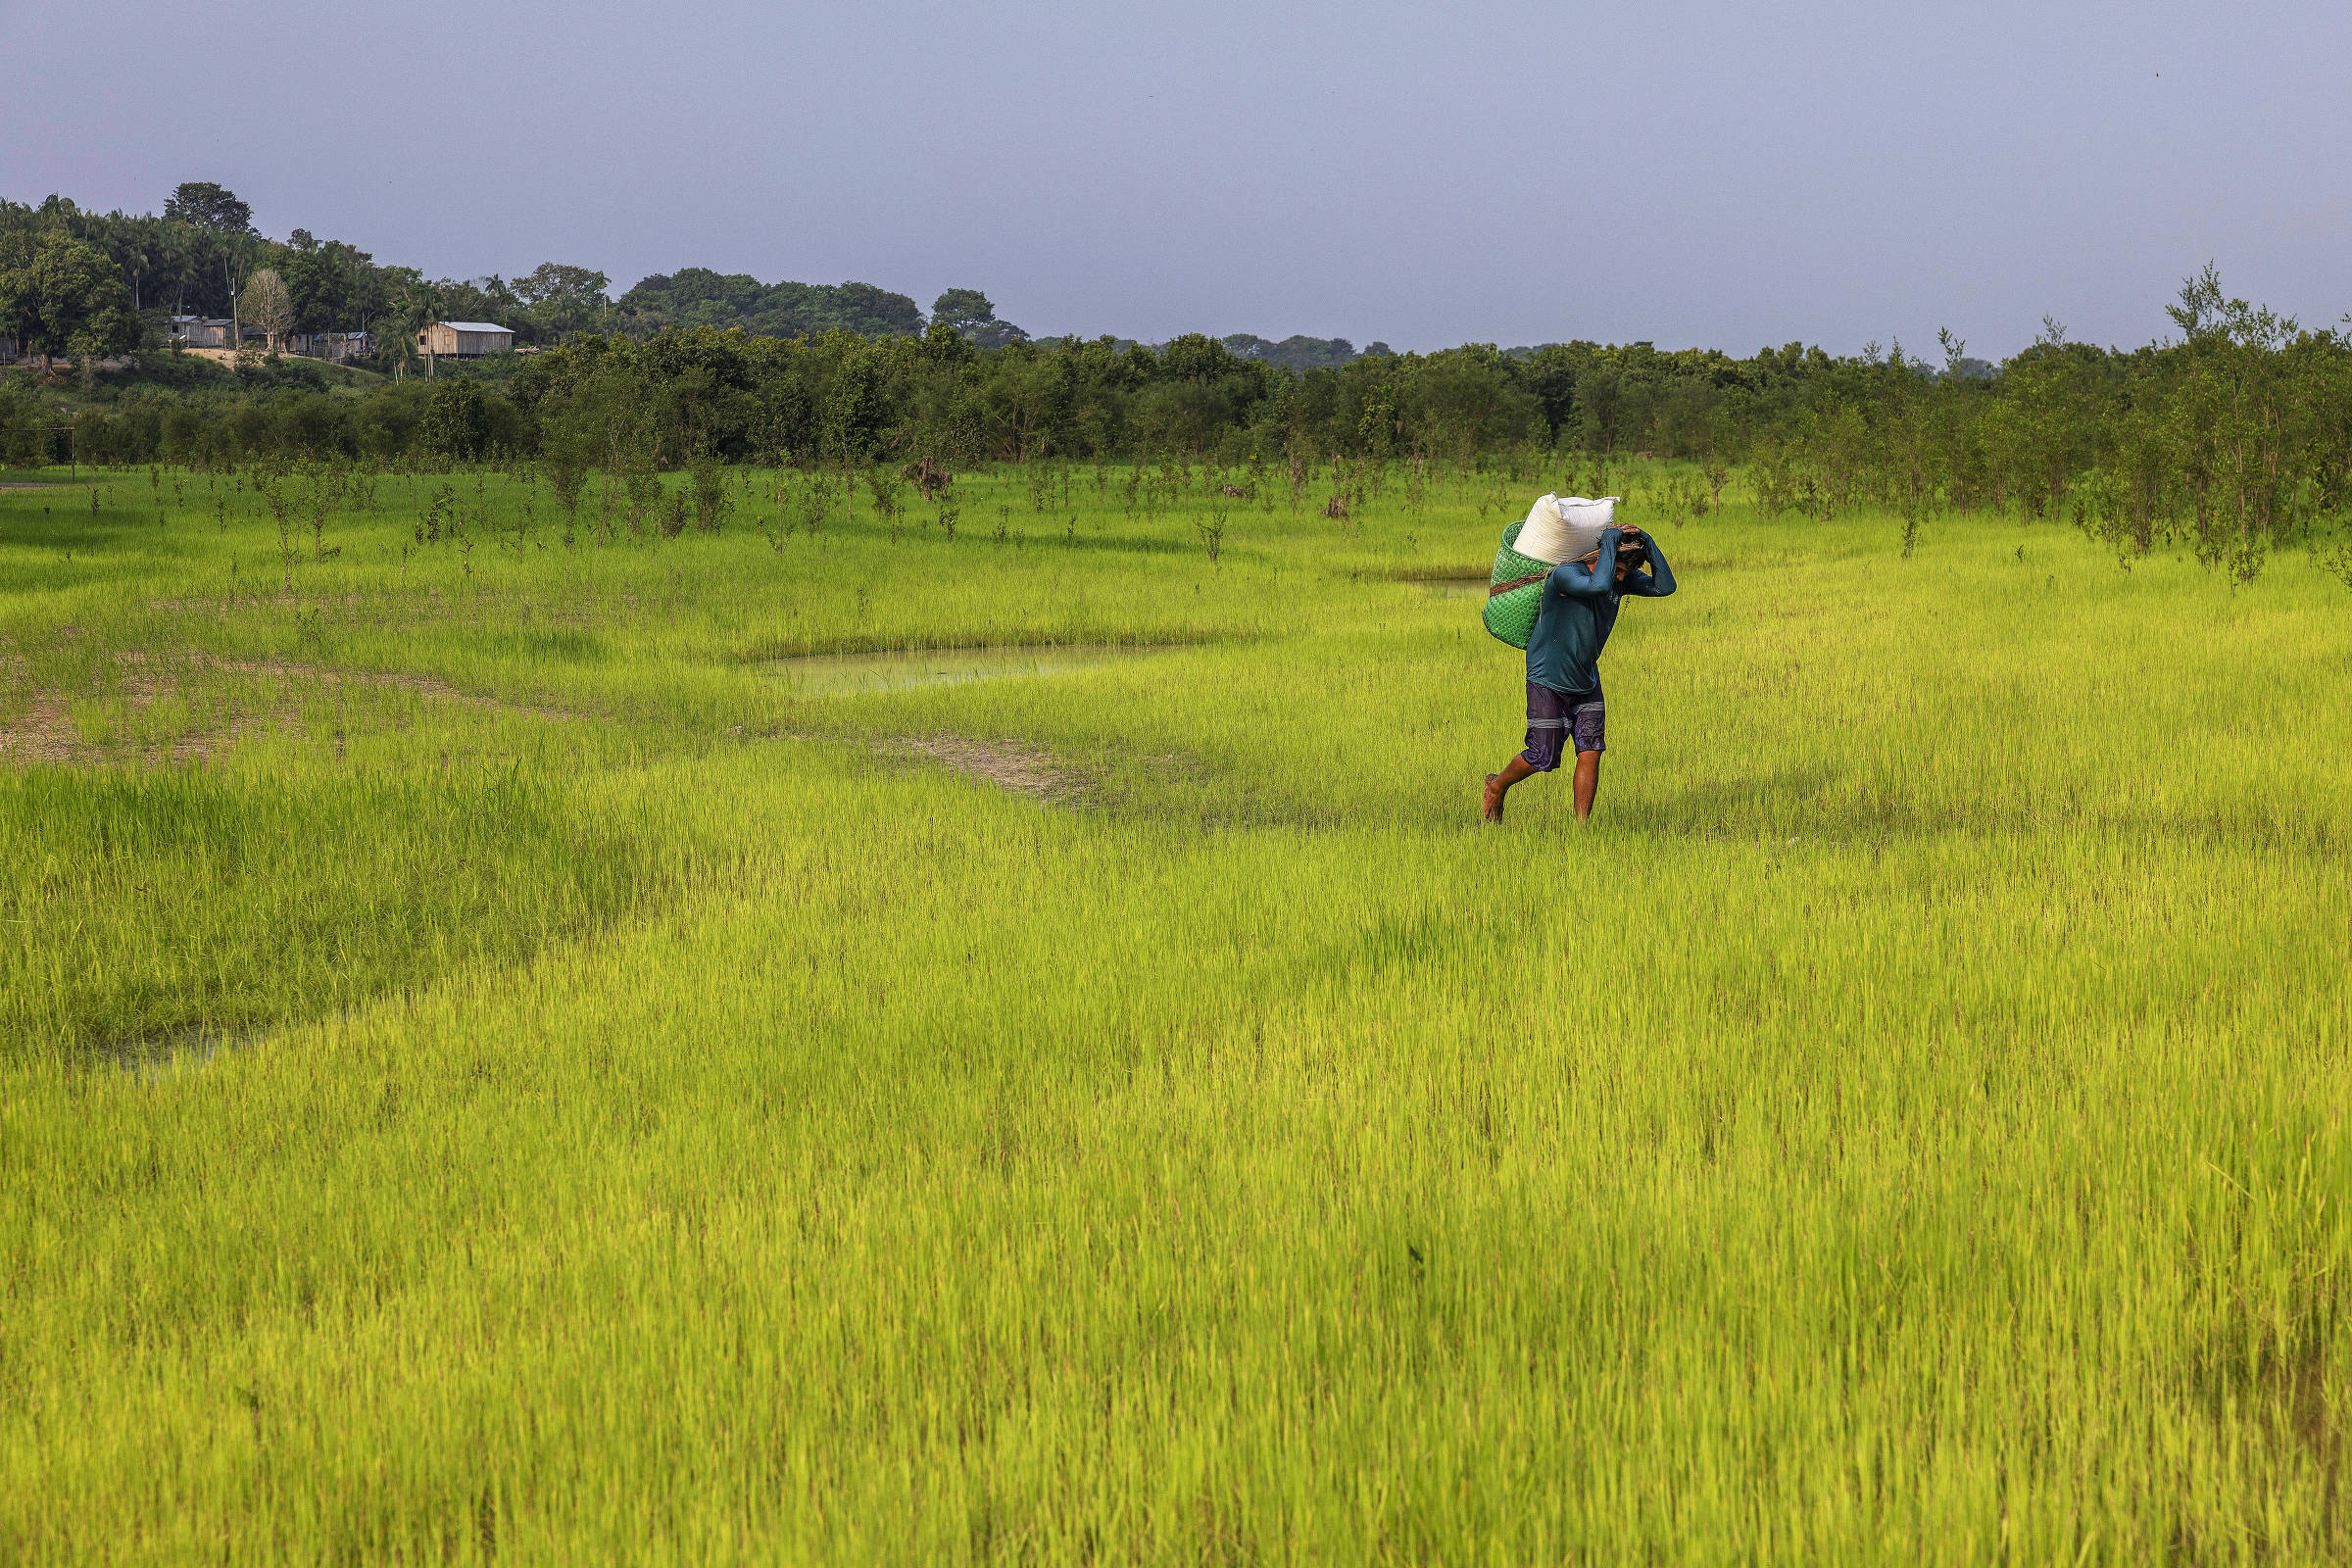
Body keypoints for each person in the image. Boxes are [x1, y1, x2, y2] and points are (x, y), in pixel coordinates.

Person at [1483, 522, 1676, 822]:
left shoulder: (1616, 578)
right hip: (1548, 678)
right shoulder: (1566, 575)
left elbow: (1665, 587)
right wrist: (1611, 538)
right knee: (1541, 756)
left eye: (1624, 574)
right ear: (1602, 554)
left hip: (1586, 679)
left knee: (1591, 750)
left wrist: (1647, 542)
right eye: (1619, 571)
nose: (1622, 579)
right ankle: (1496, 787)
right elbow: (1597, 585)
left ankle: (1581, 830)